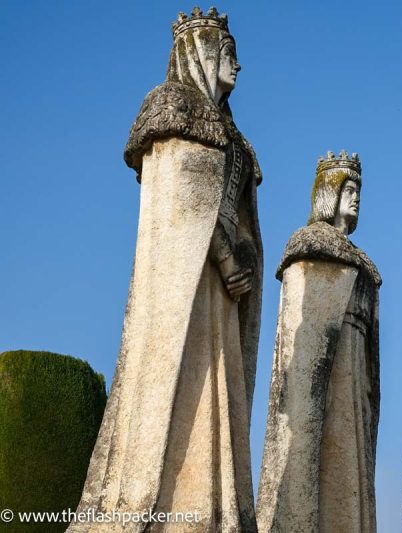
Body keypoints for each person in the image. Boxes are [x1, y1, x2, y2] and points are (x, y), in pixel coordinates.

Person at [69, 8, 262, 531]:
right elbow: (182, 198)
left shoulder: (235, 137)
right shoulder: (171, 105)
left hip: (221, 288)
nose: (238, 65)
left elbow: (240, 214)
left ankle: (213, 505)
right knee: (175, 378)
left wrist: (242, 257)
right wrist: (224, 255)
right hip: (185, 277)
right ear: (199, 51)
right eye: (228, 52)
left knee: (218, 384)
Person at [257, 151, 381, 533]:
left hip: (354, 368)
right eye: (349, 189)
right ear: (330, 194)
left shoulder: (364, 263)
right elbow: (303, 327)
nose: (356, 197)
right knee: (324, 454)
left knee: (350, 460)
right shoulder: (308, 245)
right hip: (330, 371)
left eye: (359, 190)